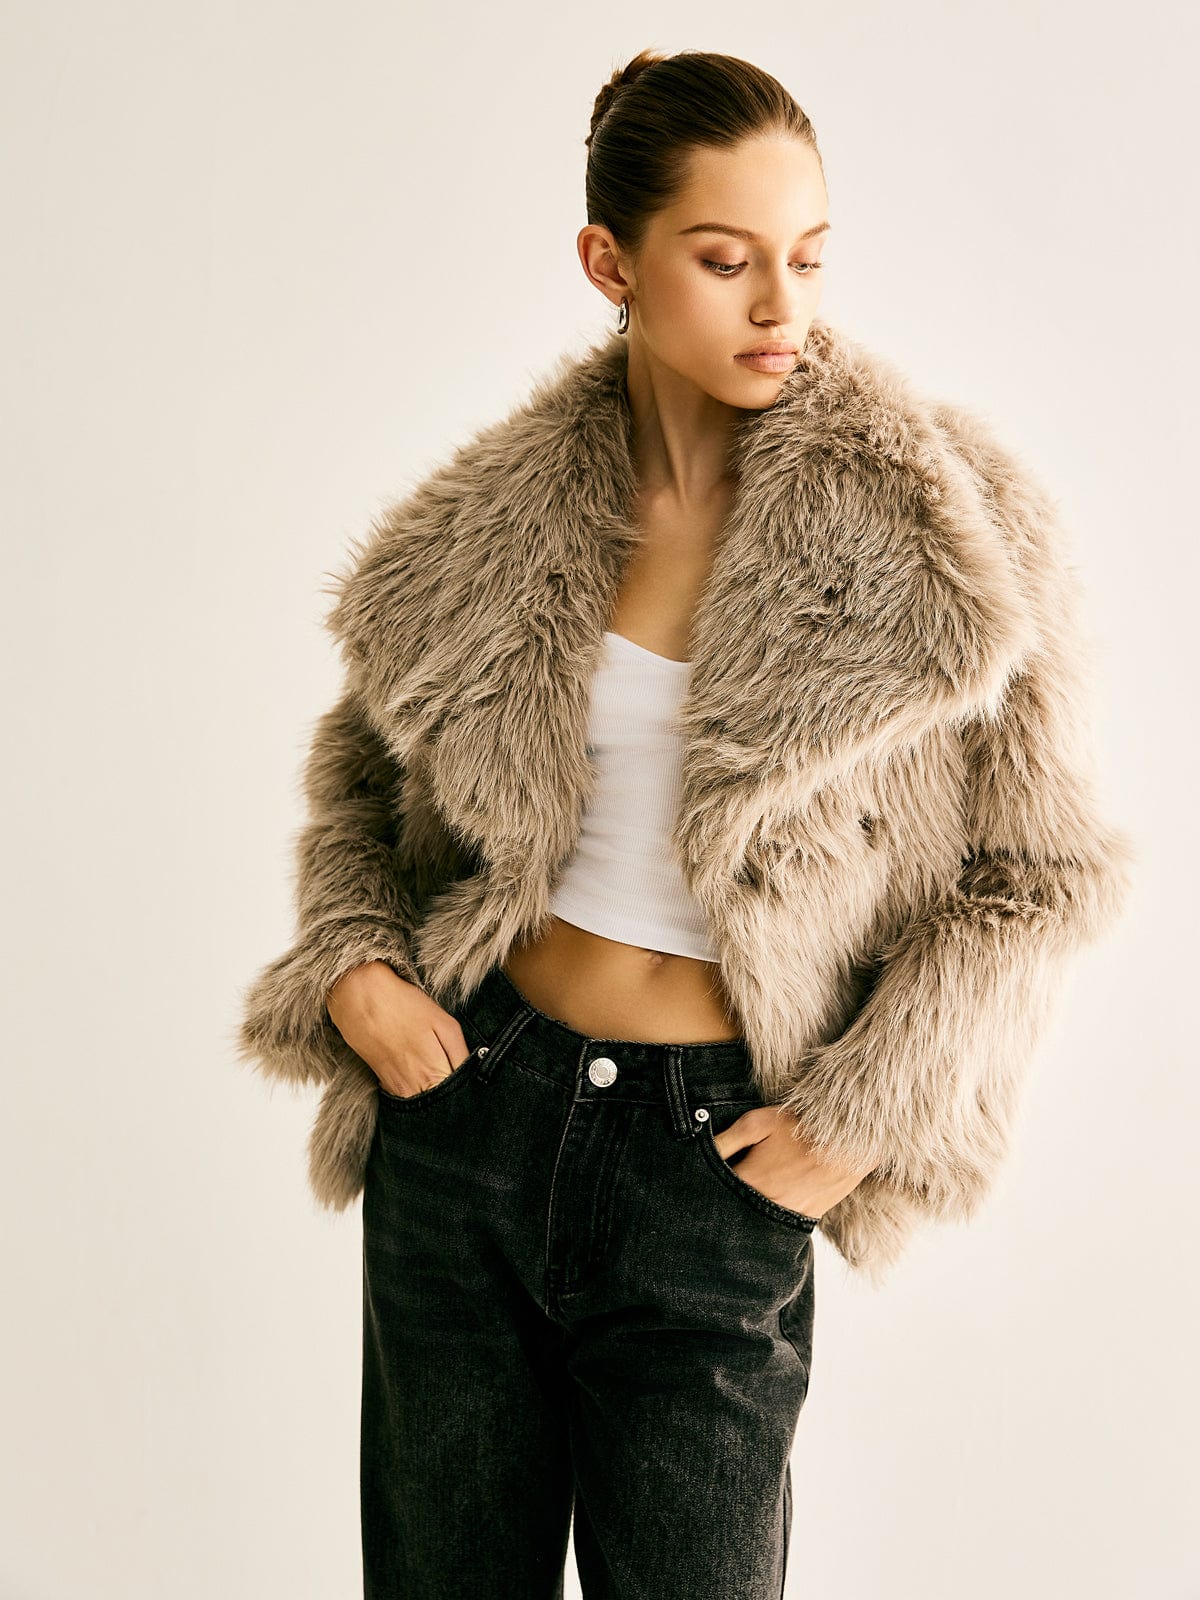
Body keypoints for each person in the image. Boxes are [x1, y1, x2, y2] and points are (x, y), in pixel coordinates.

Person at [235, 47, 1133, 1600]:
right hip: (470, 1117)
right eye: (725, 261)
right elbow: (362, 780)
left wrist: (868, 1114)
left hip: (710, 1161)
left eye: (809, 255)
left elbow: (1041, 878)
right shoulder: (487, 525)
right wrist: (354, 963)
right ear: (612, 264)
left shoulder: (957, 529)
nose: (782, 305)